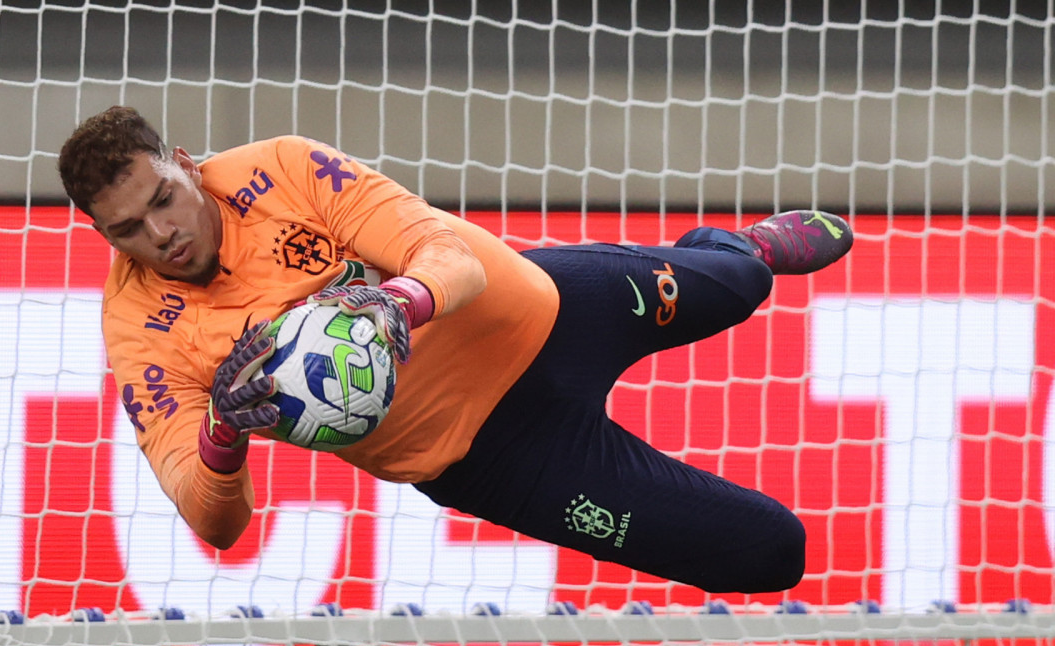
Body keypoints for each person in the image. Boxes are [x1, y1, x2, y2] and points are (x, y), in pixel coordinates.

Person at [59, 105, 852, 595]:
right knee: (768, 552)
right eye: (127, 229)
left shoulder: (282, 170)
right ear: (103, 234)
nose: (160, 233)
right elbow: (213, 519)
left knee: (741, 284)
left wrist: (398, 298)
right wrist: (222, 437)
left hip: (545, 311)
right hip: (494, 458)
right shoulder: (141, 330)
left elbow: (448, 254)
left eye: (164, 199)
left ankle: (740, 246)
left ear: (187, 166)